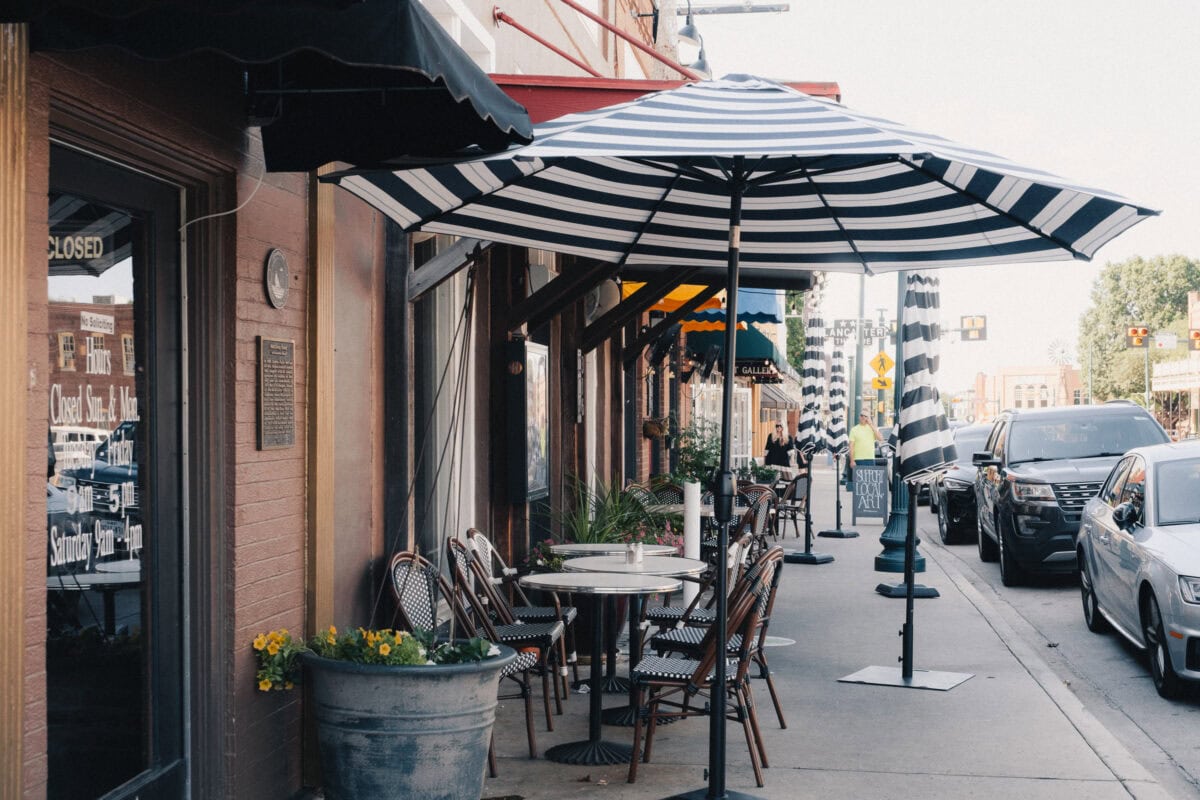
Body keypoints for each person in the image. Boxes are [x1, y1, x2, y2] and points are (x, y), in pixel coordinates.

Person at [847, 412, 883, 488]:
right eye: (861, 415)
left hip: (870, 459)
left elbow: (880, 438)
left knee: (870, 484)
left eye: (865, 416)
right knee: (859, 485)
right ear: (859, 417)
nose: (863, 417)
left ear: (868, 418)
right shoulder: (854, 430)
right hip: (858, 460)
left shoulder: (872, 428)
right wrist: (852, 460)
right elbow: (851, 446)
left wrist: (871, 425)